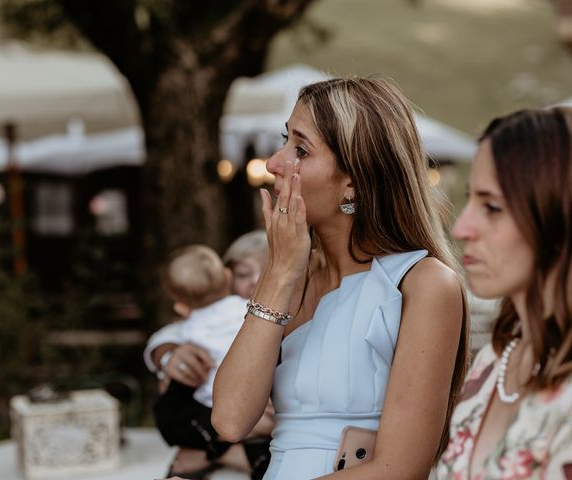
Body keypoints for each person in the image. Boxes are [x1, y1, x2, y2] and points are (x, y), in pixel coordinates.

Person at [209, 76, 470, 479]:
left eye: (301, 149)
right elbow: (229, 420)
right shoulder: (290, 277)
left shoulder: (421, 284)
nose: (274, 164)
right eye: (284, 141)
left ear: (353, 181)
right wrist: (280, 273)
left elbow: (400, 469)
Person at [436, 107, 572, 479]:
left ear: (558, 219)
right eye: (471, 200)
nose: (462, 228)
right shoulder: (494, 361)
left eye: (491, 207)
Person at [145, 234, 272, 479]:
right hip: (217, 413)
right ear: (227, 276)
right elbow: (164, 337)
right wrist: (167, 356)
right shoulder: (231, 312)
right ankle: (224, 449)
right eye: (244, 274)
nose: (255, 281)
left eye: (267, 272)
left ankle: (209, 452)